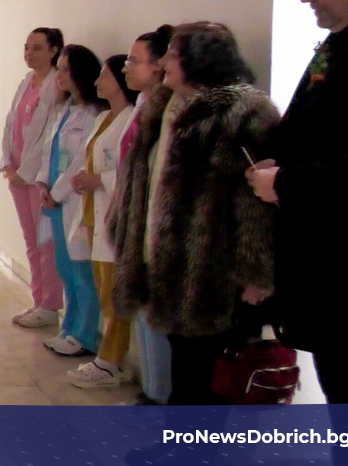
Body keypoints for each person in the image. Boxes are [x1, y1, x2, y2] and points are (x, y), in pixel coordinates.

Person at [112, 22, 278, 405]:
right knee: (183, 369)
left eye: (172, 54)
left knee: (204, 381)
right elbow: (145, 180)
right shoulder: (162, 106)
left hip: (211, 273)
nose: (163, 62)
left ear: (199, 60)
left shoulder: (243, 113)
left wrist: (255, 274)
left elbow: (254, 205)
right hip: (162, 263)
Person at [248, 0, 348, 404]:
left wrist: (286, 182)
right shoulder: (340, 42)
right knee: (343, 394)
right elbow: (320, 128)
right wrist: (277, 160)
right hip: (329, 271)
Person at [110, 25, 174, 405]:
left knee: (155, 318)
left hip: (153, 230)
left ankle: (159, 397)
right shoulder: (143, 106)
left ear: (159, 65)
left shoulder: (167, 112)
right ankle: (150, 392)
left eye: (134, 60)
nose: (126, 67)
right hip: (133, 226)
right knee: (142, 315)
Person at [66, 55, 138, 387]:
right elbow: (92, 157)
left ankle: (111, 362)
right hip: (95, 211)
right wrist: (84, 177)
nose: (97, 82)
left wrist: (98, 180)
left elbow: (130, 169)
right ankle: (107, 357)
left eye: (105, 76)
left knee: (114, 293)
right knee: (102, 288)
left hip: (113, 210)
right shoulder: (105, 117)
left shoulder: (131, 119)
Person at [35, 45, 107, 357]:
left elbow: (81, 161)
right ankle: (68, 328)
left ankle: (85, 335)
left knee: (82, 273)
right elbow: (49, 151)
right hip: (54, 202)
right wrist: (42, 183)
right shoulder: (64, 109)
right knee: (65, 268)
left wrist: (56, 193)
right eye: (59, 68)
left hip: (73, 200)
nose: (59, 75)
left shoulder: (94, 114)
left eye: (66, 69)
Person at [2, 28, 65, 329]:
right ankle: (38, 300)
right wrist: (7, 164)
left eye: (37, 48)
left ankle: (50, 306)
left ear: (54, 51)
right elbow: (10, 125)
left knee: (46, 244)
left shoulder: (56, 86)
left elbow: (49, 137)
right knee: (30, 240)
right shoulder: (26, 82)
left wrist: (24, 173)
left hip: (38, 177)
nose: (29, 53)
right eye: (26, 47)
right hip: (16, 175)